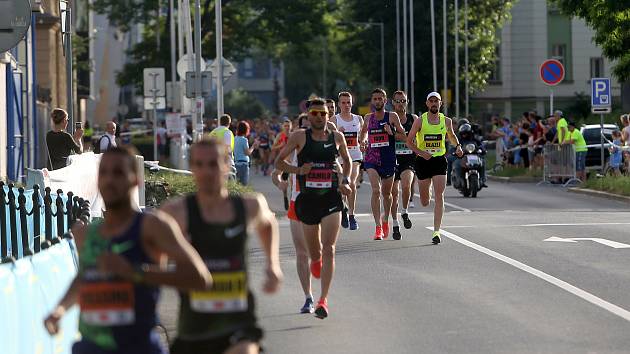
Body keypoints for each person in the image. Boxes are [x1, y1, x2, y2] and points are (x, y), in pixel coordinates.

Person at [44, 147, 211, 354]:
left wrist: (136, 272)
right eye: (103, 173)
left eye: (118, 173)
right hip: (90, 347)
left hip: (137, 346)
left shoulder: (153, 226)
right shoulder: (84, 234)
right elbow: (85, 277)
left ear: (136, 180)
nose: (109, 180)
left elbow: (200, 278)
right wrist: (59, 310)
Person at [161, 139, 282, 354]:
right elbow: (152, 252)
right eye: (199, 164)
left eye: (213, 164)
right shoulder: (176, 213)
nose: (206, 172)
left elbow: (268, 223)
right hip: (194, 329)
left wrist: (272, 264)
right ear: (191, 168)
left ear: (227, 165)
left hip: (239, 325)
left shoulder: (249, 206)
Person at [275, 97, 352, 319]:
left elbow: (347, 161)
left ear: (328, 115)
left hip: (331, 198)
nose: (319, 117)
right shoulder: (299, 136)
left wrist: (345, 180)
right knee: (315, 254)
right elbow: (279, 163)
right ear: (309, 116)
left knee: (329, 249)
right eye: (315, 114)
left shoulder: (337, 137)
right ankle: (316, 263)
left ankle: (322, 300)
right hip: (307, 201)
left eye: (323, 114)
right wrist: (299, 171)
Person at [406, 92, 463, 244]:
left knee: (440, 195)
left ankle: (436, 231)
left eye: (436, 101)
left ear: (440, 103)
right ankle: (426, 192)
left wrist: (457, 146)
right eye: (431, 101)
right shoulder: (420, 121)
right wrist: (421, 153)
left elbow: (451, 136)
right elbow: (409, 142)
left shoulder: (446, 121)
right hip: (423, 161)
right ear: (427, 104)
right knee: (425, 201)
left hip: (439, 160)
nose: (433, 104)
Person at [271, 115, 315, 313]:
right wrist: (280, 181)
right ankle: (308, 297)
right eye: (303, 127)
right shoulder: (293, 150)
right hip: (297, 203)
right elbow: (276, 171)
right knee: (301, 252)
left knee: (317, 252)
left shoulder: (325, 146)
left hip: (320, 204)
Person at [359, 88, 405, 240]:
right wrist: (364, 141)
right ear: (372, 101)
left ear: (385, 101)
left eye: (380, 99)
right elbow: (363, 133)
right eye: (375, 99)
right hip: (372, 159)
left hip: (388, 159)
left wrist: (391, 132)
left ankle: (386, 220)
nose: (377, 101)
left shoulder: (392, 116)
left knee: (387, 194)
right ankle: (378, 227)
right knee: (376, 191)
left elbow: (403, 136)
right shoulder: (367, 118)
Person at [332, 91, 364, 230]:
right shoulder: (334, 120)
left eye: (348, 102)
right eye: (343, 102)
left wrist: (364, 142)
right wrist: (338, 133)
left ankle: (352, 215)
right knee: (341, 186)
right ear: (339, 104)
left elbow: (363, 136)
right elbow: (328, 140)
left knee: (351, 182)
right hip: (339, 159)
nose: (346, 105)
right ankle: (343, 210)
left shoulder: (358, 119)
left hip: (355, 156)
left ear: (352, 103)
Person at [389, 90, 417, 240]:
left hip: (408, 159)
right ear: (393, 103)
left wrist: (394, 134)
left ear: (407, 102)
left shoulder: (414, 119)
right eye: (398, 101)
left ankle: (404, 211)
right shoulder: (388, 119)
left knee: (406, 185)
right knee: (393, 194)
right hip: (392, 159)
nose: (401, 104)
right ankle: (395, 224)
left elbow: (412, 138)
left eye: (403, 101)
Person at [234, 121, 259, 185]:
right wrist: (253, 146)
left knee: (237, 184)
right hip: (243, 164)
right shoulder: (244, 140)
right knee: (244, 184)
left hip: (236, 163)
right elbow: (247, 153)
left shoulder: (235, 138)